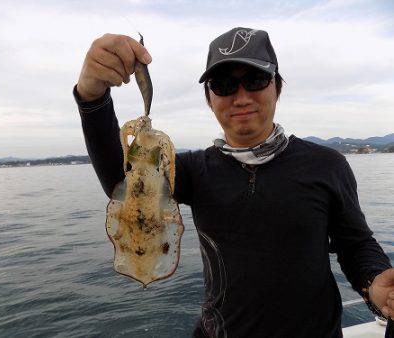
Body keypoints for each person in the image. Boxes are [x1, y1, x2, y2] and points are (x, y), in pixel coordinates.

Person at [73, 27, 394, 337]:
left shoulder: (326, 165)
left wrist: (374, 281)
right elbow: (126, 185)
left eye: (255, 80)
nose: (241, 97)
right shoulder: (194, 170)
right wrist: (91, 96)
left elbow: (355, 243)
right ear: (210, 98)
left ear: (277, 87)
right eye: (224, 84)